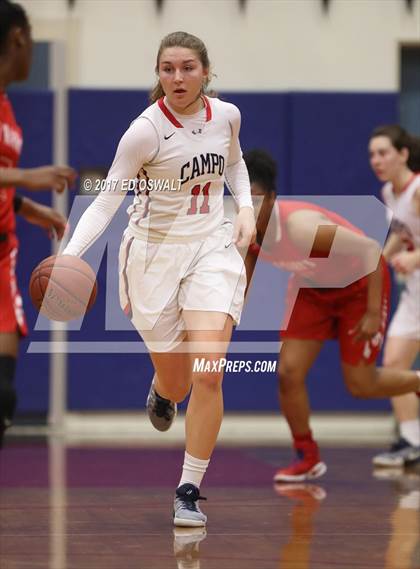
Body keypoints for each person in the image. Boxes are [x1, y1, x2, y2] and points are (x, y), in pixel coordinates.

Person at [61, 31, 255, 526]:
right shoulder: (144, 132)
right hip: (153, 256)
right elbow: (106, 198)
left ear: (206, 72)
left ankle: (188, 489)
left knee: (209, 370)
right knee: (178, 380)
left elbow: (235, 164)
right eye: (167, 68)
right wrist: (71, 256)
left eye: (187, 67)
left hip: (211, 248)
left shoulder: (227, 116)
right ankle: (164, 390)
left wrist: (247, 211)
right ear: (159, 74)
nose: (177, 77)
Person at [243, 149, 420, 482]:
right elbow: (242, 280)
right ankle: (307, 457)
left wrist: (371, 311)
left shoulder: (302, 229)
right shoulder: (245, 231)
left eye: (255, 200)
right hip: (311, 291)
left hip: (357, 287)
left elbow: (370, 252)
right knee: (288, 373)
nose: (248, 208)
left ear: (272, 198)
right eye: (241, 199)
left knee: (361, 385)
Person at [0, 0, 75, 447]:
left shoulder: (7, 107)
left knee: (3, 395)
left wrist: (29, 207)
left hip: (2, 250)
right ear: (18, 38)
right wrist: (30, 175)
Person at [369, 125, 420, 468]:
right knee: (393, 366)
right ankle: (412, 442)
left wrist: (415, 258)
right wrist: (380, 260)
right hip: (415, 291)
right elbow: (404, 233)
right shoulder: (390, 191)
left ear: (403, 154)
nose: (376, 160)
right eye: (372, 154)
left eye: (384, 152)